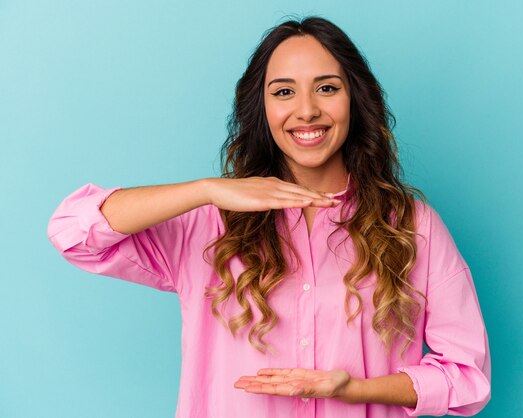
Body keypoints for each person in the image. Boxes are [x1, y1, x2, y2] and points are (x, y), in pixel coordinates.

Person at [47, 16, 491, 418]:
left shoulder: (412, 226)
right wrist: (205, 190)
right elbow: (72, 231)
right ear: (261, 108)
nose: (306, 110)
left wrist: (356, 389)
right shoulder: (208, 223)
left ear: (355, 99)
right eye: (283, 92)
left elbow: (468, 377)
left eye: (327, 87)